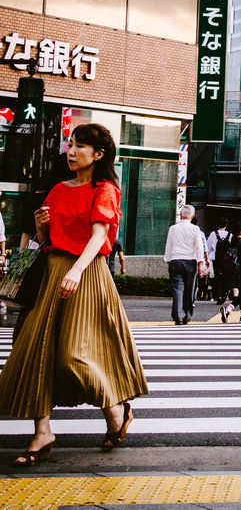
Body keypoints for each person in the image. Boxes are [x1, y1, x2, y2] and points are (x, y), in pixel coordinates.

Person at [0, 122, 147, 465]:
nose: (71, 150)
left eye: (80, 146)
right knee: (37, 351)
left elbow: (99, 237)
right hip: (52, 273)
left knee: (73, 355)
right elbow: (46, 240)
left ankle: (115, 409)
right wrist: (40, 226)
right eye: (70, 143)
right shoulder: (57, 190)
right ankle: (43, 432)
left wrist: (77, 271)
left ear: (98, 154)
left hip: (87, 274)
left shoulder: (105, 189)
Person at [163, 205, 204, 325]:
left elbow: (168, 246)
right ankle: (187, 315)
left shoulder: (173, 228)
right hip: (190, 261)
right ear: (192, 216)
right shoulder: (195, 229)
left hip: (175, 260)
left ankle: (178, 317)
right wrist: (200, 263)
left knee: (177, 289)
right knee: (189, 290)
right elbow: (199, 247)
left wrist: (168, 260)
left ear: (181, 215)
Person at [220, 223, 241, 323]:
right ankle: (240, 314)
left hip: (231, 271)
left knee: (240, 294)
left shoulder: (231, 241)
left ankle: (231, 311)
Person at [205, 219, 231, 304]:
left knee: (217, 277)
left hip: (216, 259)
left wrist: (207, 259)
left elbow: (208, 247)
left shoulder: (213, 234)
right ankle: (224, 294)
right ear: (226, 225)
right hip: (227, 260)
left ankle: (218, 295)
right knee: (226, 277)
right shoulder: (230, 235)